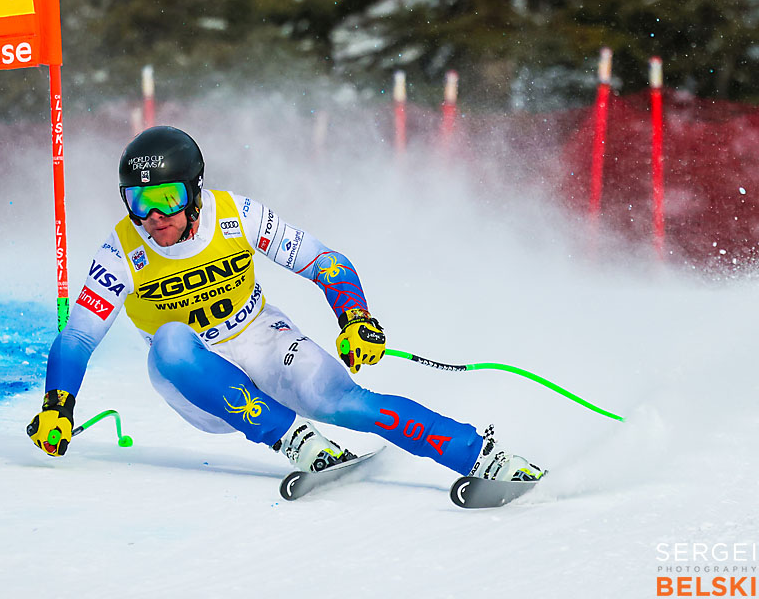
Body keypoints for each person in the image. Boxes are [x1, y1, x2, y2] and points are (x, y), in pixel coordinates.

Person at [28, 125, 544, 483]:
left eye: (168, 198)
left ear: (195, 191)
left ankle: (479, 455)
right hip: (194, 380)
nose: (155, 216)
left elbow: (324, 260)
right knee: (169, 340)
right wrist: (58, 406)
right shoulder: (122, 249)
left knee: (344, 402)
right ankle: (291, 438)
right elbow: (78, 336)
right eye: (139, 202)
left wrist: (355, 317)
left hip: (261, 338)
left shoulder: (237, 214)